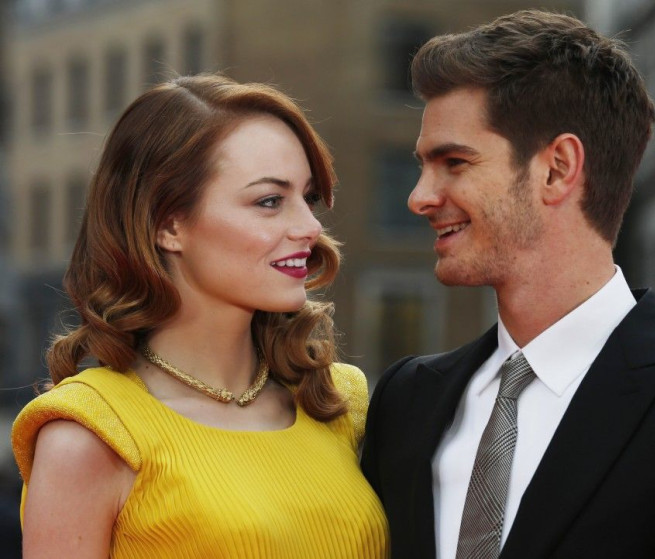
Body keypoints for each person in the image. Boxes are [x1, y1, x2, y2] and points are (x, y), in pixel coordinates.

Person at [361, 9, 655, 559]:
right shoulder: (407, 400)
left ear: (557, 169)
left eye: (454, 162)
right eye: (423, 165)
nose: (419, 197)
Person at [12, 74, 388, 559]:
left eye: (308, 197)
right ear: (169, 225)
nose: (310, 227)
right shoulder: (91, 434)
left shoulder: (340, 402)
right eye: (269, 201)